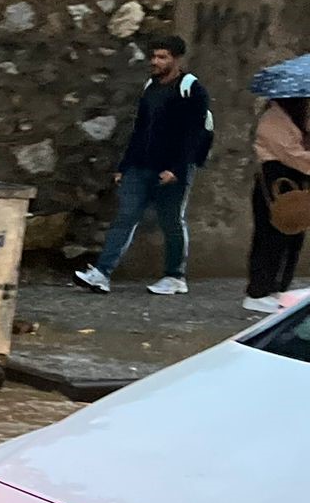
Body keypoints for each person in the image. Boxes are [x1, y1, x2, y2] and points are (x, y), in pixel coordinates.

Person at [75, 34, 214, 296]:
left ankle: (175, 276)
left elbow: (193, 135)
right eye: (154, 56)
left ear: (176, 59)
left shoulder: (191, 89)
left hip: (172, 169)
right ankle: (102, 273)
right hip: (140, 166)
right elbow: (139, 129)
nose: (155, 61)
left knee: (171, 221)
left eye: (162, 57)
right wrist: (124, 165)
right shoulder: (150, 86)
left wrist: (176, 168)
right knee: (125, 217)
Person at [245, 97, 310, 314]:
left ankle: (277, 287)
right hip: (275, 179)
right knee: (272, 235)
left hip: (295, 180)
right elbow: (290, 153)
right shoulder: (273, 118)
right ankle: (258, 291)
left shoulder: (295, 117)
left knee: (293, 234)